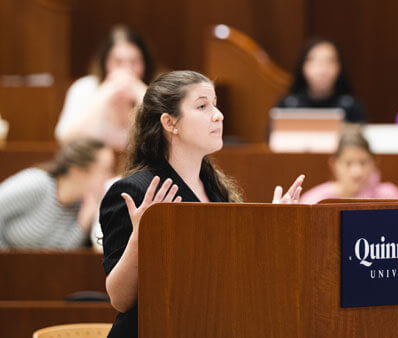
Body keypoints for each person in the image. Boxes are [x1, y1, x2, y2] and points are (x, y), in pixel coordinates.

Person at [100, 70, 304, 337]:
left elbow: (231, 273)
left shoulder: (216, 189)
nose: (218, 115)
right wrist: (140, 236)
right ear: (170, 122)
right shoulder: (134, 190)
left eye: (215, 104)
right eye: (202, 106)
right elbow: (120, 299)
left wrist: (271, 228)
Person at [0, 138, 114, 249]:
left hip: (34, 267)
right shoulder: (38, 184)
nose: (111, 177)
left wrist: (83, 223)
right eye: (106, 170)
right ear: (76, 171)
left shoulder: (84, 205)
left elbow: (61, 255)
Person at [55, 25, 155, 151]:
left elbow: (168, 135)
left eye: (134, 61)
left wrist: (141, 91)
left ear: (145, 63)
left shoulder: (154, 89)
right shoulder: (85, 87)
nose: (127, 69)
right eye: (118, 62)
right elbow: (64, 138)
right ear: (105, 62)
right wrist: (106, 92)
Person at [300, 130, 398, 204]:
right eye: (348, 163)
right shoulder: (314, 201)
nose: (357, 171)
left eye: (363, 163)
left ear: (374, 163)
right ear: (334, 164)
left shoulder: (390, 197)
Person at [277, 38, 367, 123]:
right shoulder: (288, 105)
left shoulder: (351, 106)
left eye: (329, 62)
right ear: (302, 67)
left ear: (339, 68)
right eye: (316, 62)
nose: (322, 70)